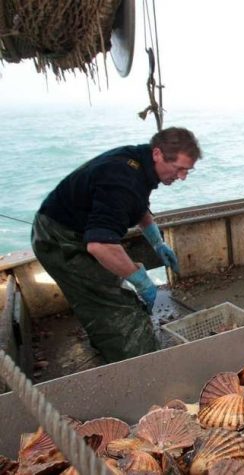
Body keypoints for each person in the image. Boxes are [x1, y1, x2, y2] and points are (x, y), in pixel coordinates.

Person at [31, 127, 202, 363]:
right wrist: (141, 281)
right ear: (158, 154)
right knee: (116, 305)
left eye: (187, 171)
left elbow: (138, 204)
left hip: (77, 229)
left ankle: (106, 341)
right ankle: (138, 362)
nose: (182, 177)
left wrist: (157, 242)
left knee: (106, 291)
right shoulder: (121, 179)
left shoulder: (139, 163)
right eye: (179, 169)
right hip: (58, 240)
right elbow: (99, 246)